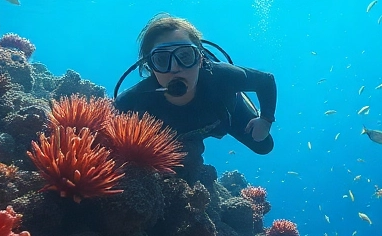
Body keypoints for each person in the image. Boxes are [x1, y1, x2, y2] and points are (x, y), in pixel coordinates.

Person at [114, 14, 276, 168]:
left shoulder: (222, 77)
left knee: (264, 146)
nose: (175, 68)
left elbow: (266, 80)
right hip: (180, 136)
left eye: (185, 56)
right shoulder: (133, 101)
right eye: (162, 60)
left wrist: (266, 119)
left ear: (200, 59)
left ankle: (239, 97)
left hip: (228, 116)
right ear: (151, 66)